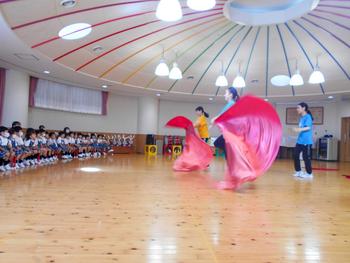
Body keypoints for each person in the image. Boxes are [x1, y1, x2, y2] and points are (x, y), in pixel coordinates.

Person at [211, 87, 240, 157]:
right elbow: (222, 116)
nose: (224, 95)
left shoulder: (231, 103)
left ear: (231, 95)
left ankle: (232, 159)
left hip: (230, 133)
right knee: (218, 143)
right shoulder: (230, 104)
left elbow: (221, 115)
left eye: (226, 93)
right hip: (228, 133)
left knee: (218, 143)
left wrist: (214, 119)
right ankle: (231, 159)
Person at [293, 102, 314, 178]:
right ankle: (298, 171)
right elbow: (302, 128)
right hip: (299, 141)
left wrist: (298, 129)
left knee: (306, 158)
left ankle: (309, 173)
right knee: (295, 155)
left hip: (307, 141)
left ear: (303, 108)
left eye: (298, 107)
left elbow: (308, 127)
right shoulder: (301, 118)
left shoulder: (308, 117)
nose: (297, 109)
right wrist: (299, 129)